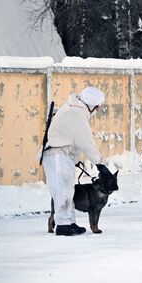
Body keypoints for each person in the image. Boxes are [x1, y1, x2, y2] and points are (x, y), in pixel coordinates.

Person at [41, 87, 107, 236]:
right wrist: (100, 163)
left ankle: (70, 222)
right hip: (57, 154)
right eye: (96, 107)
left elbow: (73, 137)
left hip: (64, 154)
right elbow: (86, 141)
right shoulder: (77, 113)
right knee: (62, 190)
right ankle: (63, 225)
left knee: (68, 190)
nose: (96, 110)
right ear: (91, 104)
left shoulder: (74, 108)